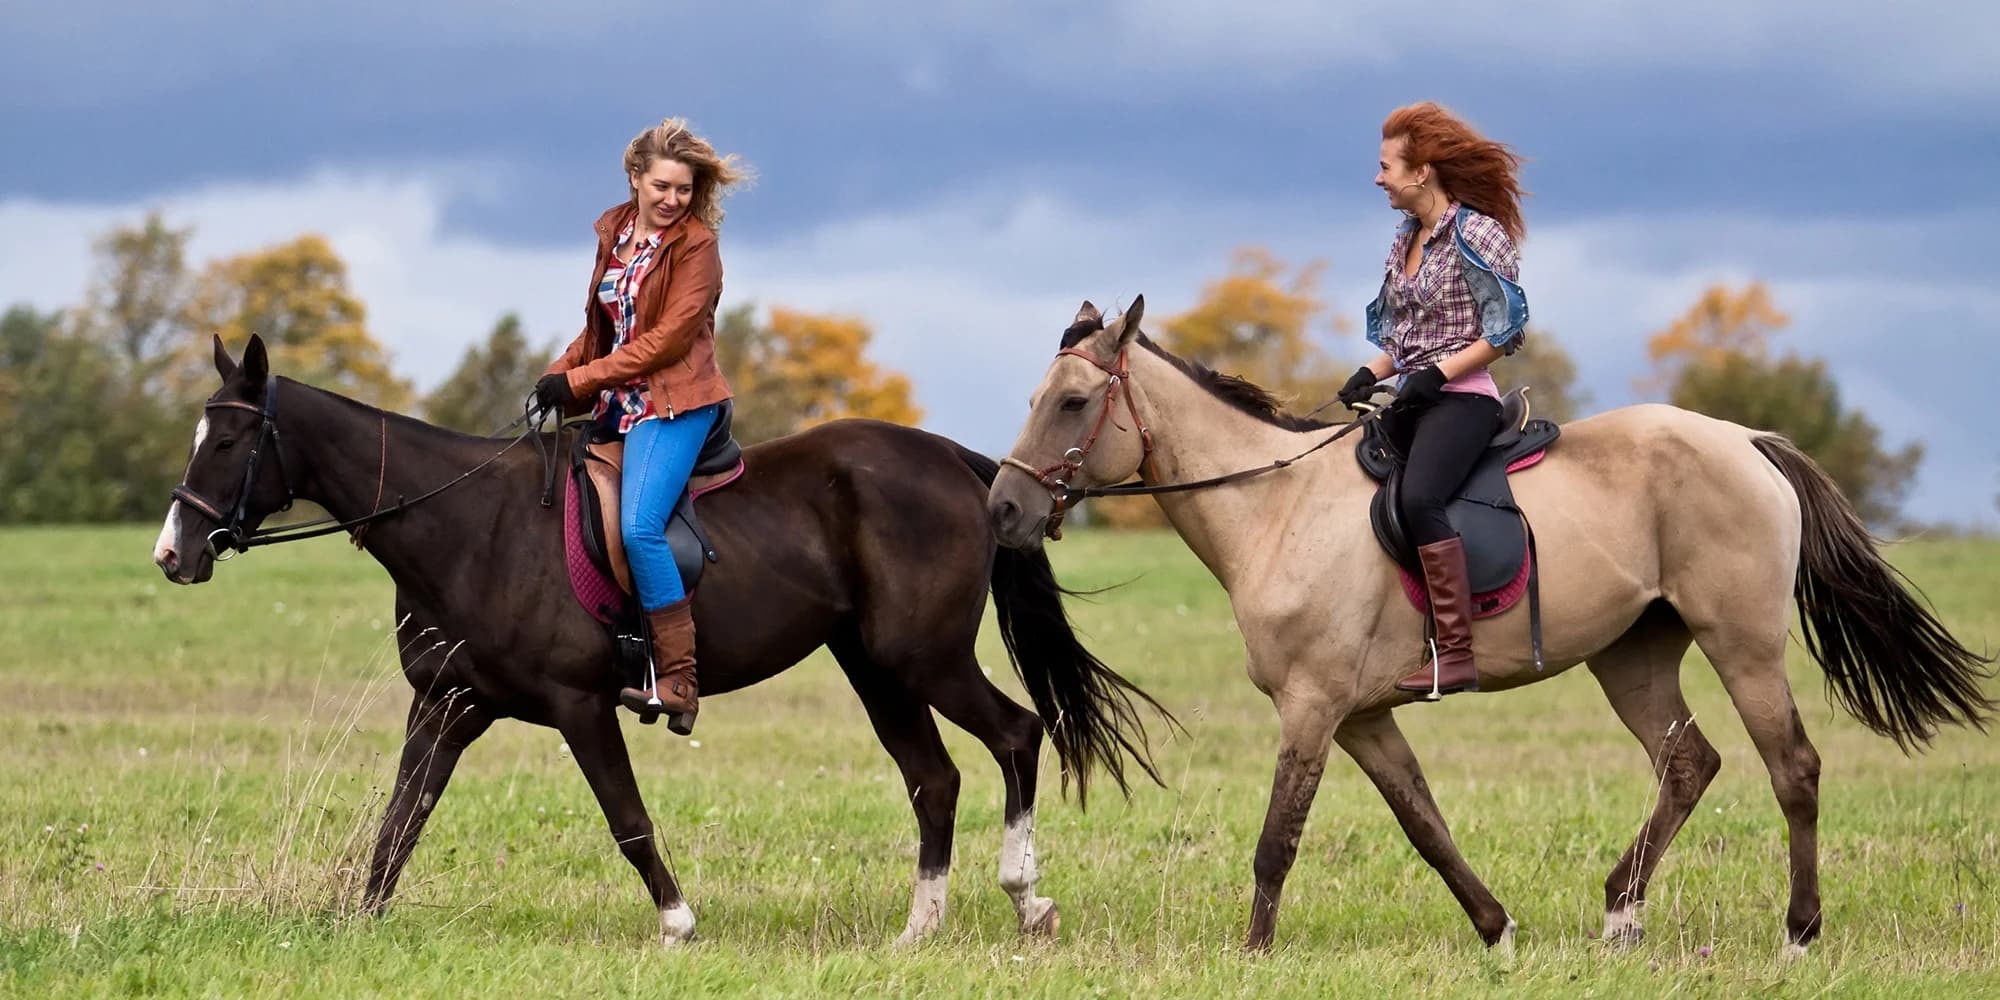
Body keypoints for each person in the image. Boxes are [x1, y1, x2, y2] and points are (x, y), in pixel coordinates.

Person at [533, 117, 750, 731]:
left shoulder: (698, 248)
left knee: (639, 526)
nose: (671, 199)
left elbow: (664, 341)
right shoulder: (616, 231)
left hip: (675, 403)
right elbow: (603, 331)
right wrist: (557, 374)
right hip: (614, 403)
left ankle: (678, 678)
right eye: (661, 186)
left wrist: (578, 382)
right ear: (635, 179)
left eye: (682, 189)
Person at [1336, 101, 1530, 700]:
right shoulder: (1404, 241)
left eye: (1386, 166)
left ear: (1421, 172)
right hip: (1413, 398)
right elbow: (1401, 342)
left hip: (1464, 400)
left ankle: (1456, 653)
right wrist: (1368, 373)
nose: (1377, 178)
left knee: (1420, 497)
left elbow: (1505, 330)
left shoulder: (1477, 235)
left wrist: (1439, 374)